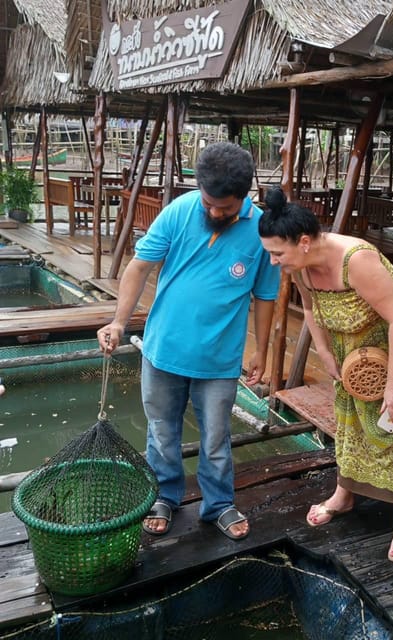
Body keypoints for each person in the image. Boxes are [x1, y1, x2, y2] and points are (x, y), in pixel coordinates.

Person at [97, 142, 280, 540]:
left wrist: (261, 351)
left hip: (220, 359)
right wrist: (118, 322)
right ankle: (165, 494)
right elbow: (139, 267)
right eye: (208, 203)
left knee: (216, 438)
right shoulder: (180, 211)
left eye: (225, 208)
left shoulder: (261, 229)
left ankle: (218, 504)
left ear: (246, 195)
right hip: (163, 352)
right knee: (162, 431)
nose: (214, 213)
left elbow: (266, 296)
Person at [258, 187, 393, 563]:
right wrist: (323, 350)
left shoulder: (357, 261)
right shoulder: (300, 266)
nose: (272, 262)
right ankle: (345, 493)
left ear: (304, 242)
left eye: (277, 253)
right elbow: (308, 308)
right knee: (350, 418)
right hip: (347, 344)